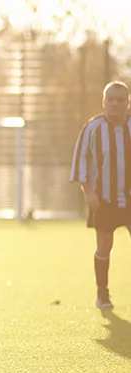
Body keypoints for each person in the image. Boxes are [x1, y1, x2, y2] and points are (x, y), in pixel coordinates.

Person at [70, 80, 131, 309]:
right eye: (111, 100)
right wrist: (89, 192)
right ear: (104, 102)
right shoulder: (93, 128)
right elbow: (80, 161)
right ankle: (102, 294)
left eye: (120, 100)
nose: (115, 104)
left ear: (128, 103)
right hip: (104, 199)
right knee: (105, 245)